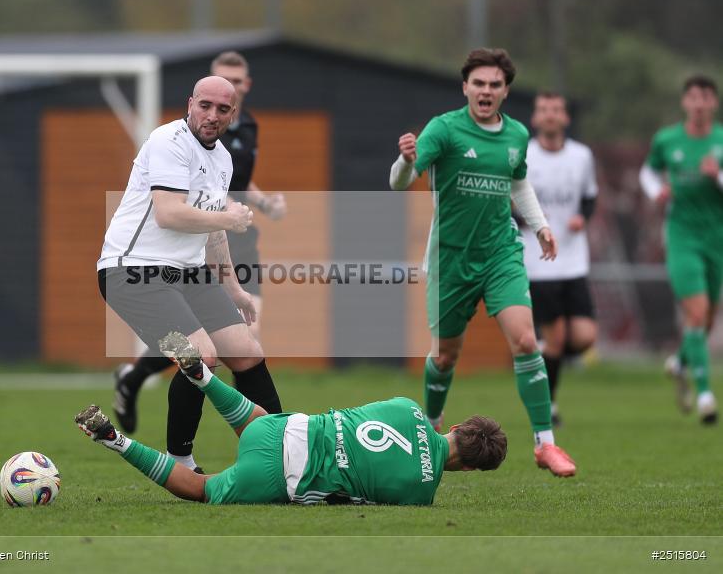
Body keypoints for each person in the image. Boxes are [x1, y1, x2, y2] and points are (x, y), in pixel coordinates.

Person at [389, 48, 576, 477]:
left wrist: (541, 224)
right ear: (465, 88)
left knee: (527, 342)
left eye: (494, 84)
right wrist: (405, 159)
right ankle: (432, 429)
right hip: (450, 260)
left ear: (505, 90)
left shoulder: (516, 136)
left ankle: (545, 444)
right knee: (445, 357)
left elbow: (518, 180)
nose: (486, 90)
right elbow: (399, 183)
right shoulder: (445, 129)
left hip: (500, 253)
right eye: (479, 83)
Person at [75, 331, 507, 505]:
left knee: (259, 418)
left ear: (454, 427)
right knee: (205, 491)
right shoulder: (420, 494)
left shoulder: (408, 408)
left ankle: (203, 375)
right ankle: (113, 438)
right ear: (469, 467)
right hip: (284, 475)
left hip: (287, 427)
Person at [98, 76, 282, 473]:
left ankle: (282, 454)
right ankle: (181, 460)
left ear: (232, 114)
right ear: (190, 104)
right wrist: (229, 217)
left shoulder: (223, 160)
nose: (212, 115)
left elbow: (213, 230)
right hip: (131, 271)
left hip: (188, 272)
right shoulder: (169, 141)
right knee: (201, 356)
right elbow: (169, 214)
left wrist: (234, 288)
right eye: (205, 105)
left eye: (222, 109)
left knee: (246, 352)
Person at [640, 75, 722, 425]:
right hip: (681, 235)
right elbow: (648, 171)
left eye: (705, 97)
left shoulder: (720, 140)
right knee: (697, 310)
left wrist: (717, 175)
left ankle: (681, 362)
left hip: (716, 238)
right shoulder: (667, 139)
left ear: (714, 103)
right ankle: (705, 394)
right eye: (693, 97)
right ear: (685, 102)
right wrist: (656, 191)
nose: (699, 103)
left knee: (707, 319)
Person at [521, 92, 599, 427]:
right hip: (539, 262)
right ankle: (548, 406)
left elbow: (589, 198)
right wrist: (527, 218)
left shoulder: (582, 156)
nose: (550, 115)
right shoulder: (524, 156)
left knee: (583, 336)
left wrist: (583, 217)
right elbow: (509, 198)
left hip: (574, 260)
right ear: (535, 119)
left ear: (566, 118)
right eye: (543, 110)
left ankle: (537, 357)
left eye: (556, 110)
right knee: (556, 338)